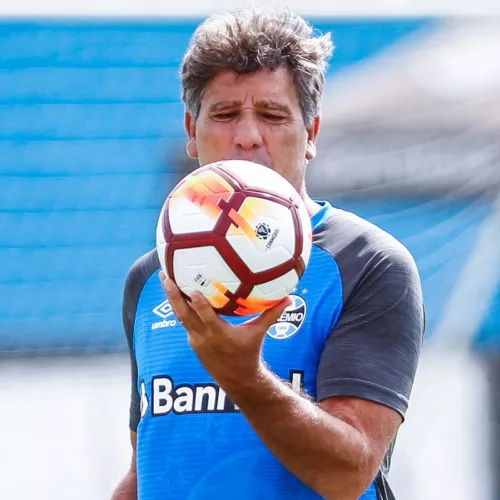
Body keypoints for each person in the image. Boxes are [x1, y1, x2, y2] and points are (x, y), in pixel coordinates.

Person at [111, 7, 425, 500]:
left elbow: (348, 475)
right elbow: (148, 464)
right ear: (192, 131)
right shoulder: (153, 276)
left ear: (312, 134)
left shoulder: (367, 262)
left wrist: (244, 377)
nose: (248, 135)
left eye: (273, 115)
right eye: (225, 113)